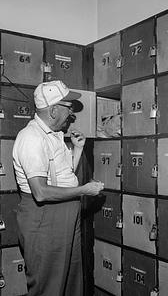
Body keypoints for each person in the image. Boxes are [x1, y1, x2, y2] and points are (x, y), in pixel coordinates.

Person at [12, 80, 104, 296]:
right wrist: (84, 190)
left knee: (71, 280)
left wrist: (78, 150)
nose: (71, 113)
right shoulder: (31, 138)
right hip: (45, 217)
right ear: (53, 110)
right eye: (68, 107)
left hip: (64, 213)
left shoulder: (53, 135)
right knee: (49, 285)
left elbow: (62, 176)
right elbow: (41, 192)